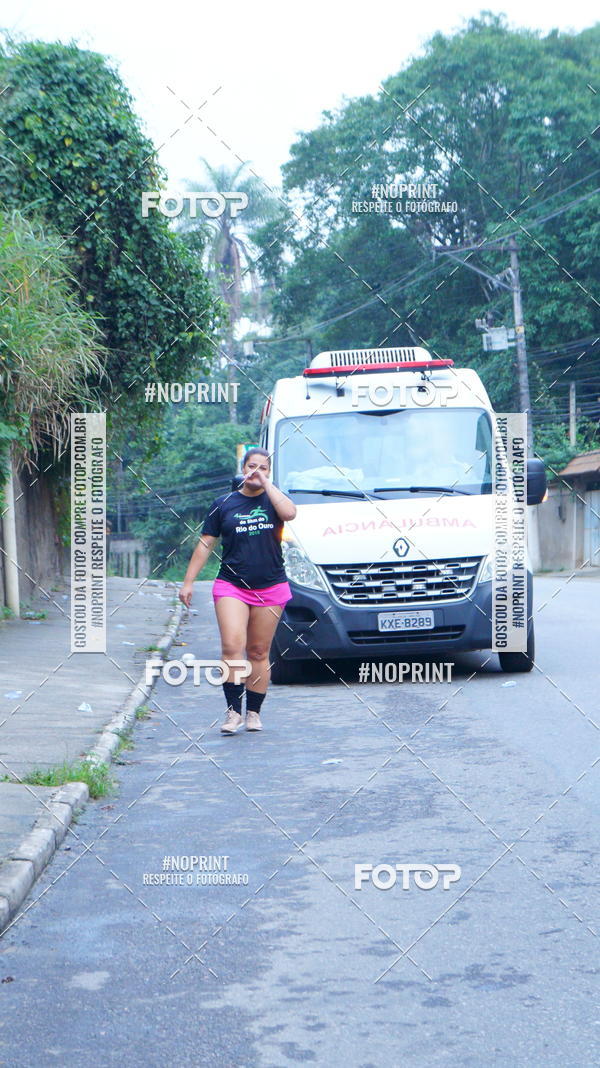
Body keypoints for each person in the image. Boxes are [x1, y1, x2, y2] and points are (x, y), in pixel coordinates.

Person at [178, 448, 297, 734]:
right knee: (232, 647)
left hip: (270, 587)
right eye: (251, 466)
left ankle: (254, 712)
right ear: (243, 469)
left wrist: (267, 484)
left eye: (263, 468)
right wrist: (188, 581)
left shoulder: (274, 501)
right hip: (232, 585)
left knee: (258, 652)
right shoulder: (224, 504)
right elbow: (206, 543)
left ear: (269, 473)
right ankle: (233, 714)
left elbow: (290, 513)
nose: (256, 471)